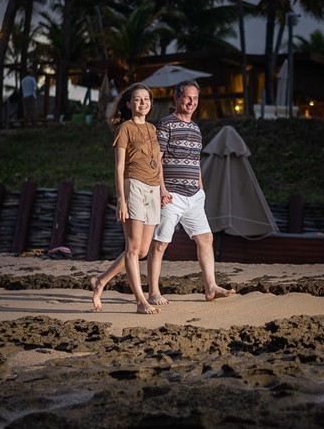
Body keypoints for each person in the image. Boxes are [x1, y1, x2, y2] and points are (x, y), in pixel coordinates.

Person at [147, 79, 235, 304]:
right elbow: (156, 159)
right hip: (171, 194)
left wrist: (201, 188)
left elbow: (195, 162)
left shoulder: (196, 129)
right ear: (176, 98)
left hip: (194, 195)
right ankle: (154, 291)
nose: (191, 102)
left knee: (206, 238)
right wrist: (162, 190)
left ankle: (211, 287)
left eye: (195, 98)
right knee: (160, 243)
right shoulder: (165, 124)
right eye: (187, 97)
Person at [90, 83, 170, 314]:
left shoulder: (153, 129)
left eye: (146, 99)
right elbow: (118, 167)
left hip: (153, 189)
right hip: (133, 186)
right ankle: (140, 302)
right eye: (137, 99)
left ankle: (101, 281)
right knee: (133, 249)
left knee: (143, 250)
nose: (143, 103)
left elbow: (157, 162)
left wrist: (162, 189)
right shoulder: (124, 128)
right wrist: (121, 200)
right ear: (128, 103)